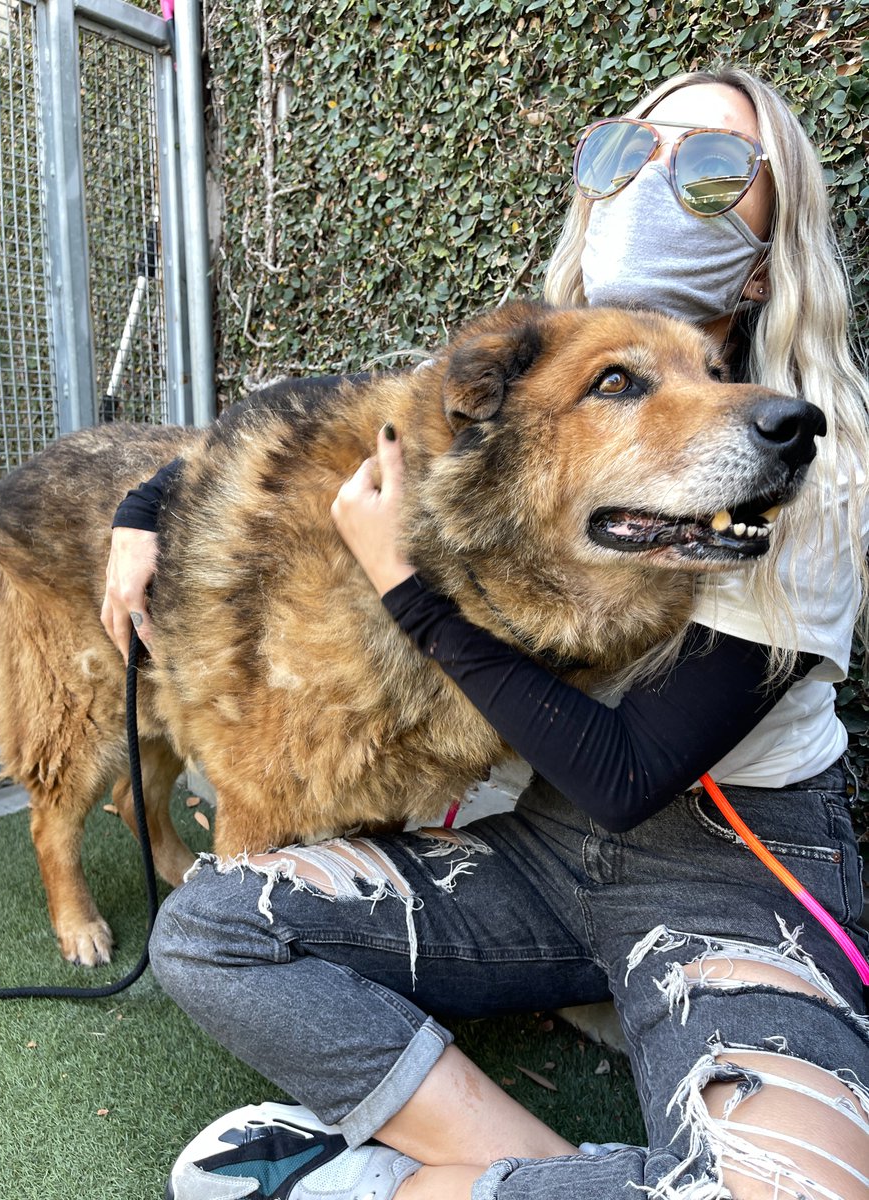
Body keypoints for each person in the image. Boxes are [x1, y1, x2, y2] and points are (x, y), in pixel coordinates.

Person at [103, 68, 869, 1200]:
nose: (658, 187)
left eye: (713, 173)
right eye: (628, 154)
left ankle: (378, 1182)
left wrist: (407, 591)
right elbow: (326, 415)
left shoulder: (815, 465)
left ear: (765, 253)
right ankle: (532, 1171)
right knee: (207, 929)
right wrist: (141, 510)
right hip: (535, 847)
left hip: (730, 867)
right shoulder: (539, 366)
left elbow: (629, 772)